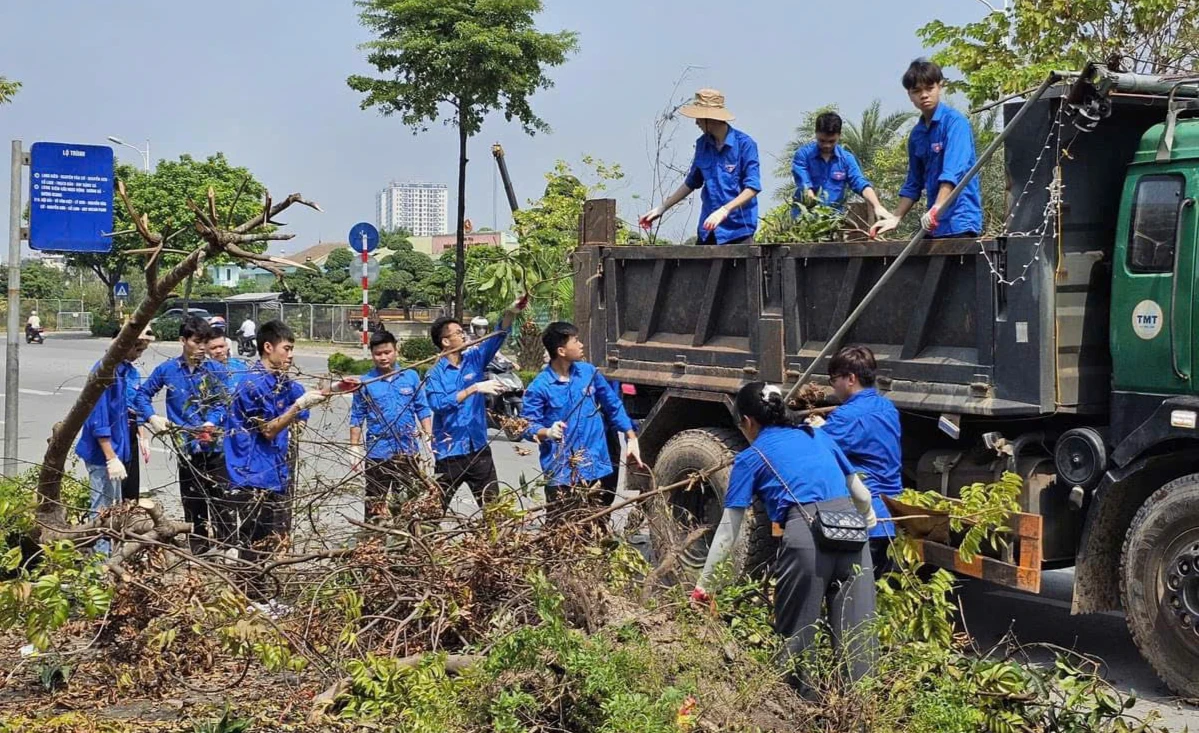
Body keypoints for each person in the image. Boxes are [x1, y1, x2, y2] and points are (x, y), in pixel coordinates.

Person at [693, 382, 877, 691]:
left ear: (748, 422)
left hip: (807, 537)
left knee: (797, 644)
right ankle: (858, 719)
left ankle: (800, 715)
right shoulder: (818, 435)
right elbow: (862, 494)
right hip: (853, 534)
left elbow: (728, 530)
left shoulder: (752, 457)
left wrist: (704, 587)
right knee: (858, 646)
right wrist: (867, 523)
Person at [221, 320, 333, 604]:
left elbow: (307, 398)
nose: (291, 355)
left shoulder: (283, 384)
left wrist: (334, 389)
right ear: (268, 347)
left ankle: (260, 598)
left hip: (274, 472)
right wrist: (299, 406)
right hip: (251, 474)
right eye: (287, 348)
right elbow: (269, 429)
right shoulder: (252, 384)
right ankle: (249, 601)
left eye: (293, 349)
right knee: (252, 543)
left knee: (270, 541)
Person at [521, 322, 643, 525]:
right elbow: (526, 426)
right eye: (575, 341)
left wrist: (631, 437)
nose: (581, 345)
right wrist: (547, 432)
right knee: (562, 530)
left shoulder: (589, 373)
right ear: (561, 350)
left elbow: (612, 404)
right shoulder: (540, 387)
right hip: (562, 472)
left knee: (598, 524)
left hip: (597, 467)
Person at [425, 296, 528, 513]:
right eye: (458, 333)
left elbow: (497, 337)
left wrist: (511, 313)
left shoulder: (474, 359)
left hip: (479, 449)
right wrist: (474, 388)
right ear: (445, 341)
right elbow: (438, 405)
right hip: (449, 452)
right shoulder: (435, 373)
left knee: (494, 512)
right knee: (433, 513)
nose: (464, 335)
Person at [136, 316, 228, 553]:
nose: (201, 347)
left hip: (215, 447)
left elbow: (223, 403)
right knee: (193, 503)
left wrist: (210, 423)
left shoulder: (215, 370)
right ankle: (199, 552)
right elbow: (142, 396)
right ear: (183, 341)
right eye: (197, 341)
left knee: (221, 500)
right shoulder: (168, 370)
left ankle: (226, 550)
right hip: (186, 448)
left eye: (205, 342)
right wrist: (152, 417)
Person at [810, 346, 902, 579]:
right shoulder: (887, 407)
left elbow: (818, 451)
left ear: (851, 378)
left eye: (834, 380)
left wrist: (817, 429)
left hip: (864, 515)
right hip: (892, 512)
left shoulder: (847, 416)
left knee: (853, 592)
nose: (834, 387)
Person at [870, 58, 983, 240]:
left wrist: (937, 208)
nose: (924, 95)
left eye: (929, 88)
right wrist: (896, 217)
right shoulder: (917, 134)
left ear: (940, 87)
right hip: (933, 225)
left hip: (959, 221)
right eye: (917, 91)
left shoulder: (955, 123)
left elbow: (953, 172)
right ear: (909, 94)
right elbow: (913, 182)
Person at [639, 89, 761, 245]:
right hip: (708, 230)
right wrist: (662, 208)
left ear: (710, 118)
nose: (696, 122)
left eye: (698, 117)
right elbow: (691, 182)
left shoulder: (745, 145)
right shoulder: (702, 144)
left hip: (737, 231)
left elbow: (753, 187)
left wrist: (724, 210)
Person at [349, 330, 433, 518]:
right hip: (378, 452)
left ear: (396, 351)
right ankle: (373, 542)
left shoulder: (410, 376)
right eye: (378, 354)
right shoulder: (366, 382)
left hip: (407, 451)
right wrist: (354, 447)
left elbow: (422, 408)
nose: (383, 357)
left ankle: (402, 543)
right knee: (374, 504)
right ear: (372, 355)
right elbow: (356, 416)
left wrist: (428, 435)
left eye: (387, 352)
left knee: (405, 503)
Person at [75, 332, 145, 555]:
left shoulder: (124, 372)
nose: (137, 354)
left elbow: (128, 412)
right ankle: (100, 560)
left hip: (116, 451)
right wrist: (110, 457)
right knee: (101, 508)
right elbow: (99, 418)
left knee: (114, 507)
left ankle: (110, 552)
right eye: (135, 348)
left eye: (141, 350)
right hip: (101, 454)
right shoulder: (105, 372)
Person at [792, 112, 894, 221]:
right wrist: (814, 208)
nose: (827, 145)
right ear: (816, 134)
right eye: (822, 141)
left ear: (839, 135)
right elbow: (805, 187)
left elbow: (860, 183)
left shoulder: (846, 159)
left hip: (834, 220)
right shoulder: (803, 155)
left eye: (832, 141)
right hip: (804, 219)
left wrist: (877, 206)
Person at [122, 327, 155, 502]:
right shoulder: (110, 372)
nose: (139, 355)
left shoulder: (133, 372)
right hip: (116, 431)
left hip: (131, 430)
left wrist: (143, 437)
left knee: (131, 482)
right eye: (138, 349)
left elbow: (137, 404)